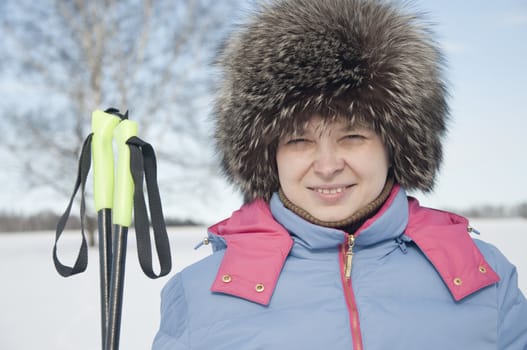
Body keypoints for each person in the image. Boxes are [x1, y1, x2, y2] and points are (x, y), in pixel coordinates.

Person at [153, 0, 527, 349]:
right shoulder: (200, 292)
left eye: (352, 136)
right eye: (299, 140)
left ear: (394, 146)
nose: (328, 165)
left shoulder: (483, 275)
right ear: (268, 157)